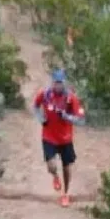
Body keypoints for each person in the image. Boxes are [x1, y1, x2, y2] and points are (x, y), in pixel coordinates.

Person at [32, 68, 86, 207]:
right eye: (56, 83)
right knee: (51, 165)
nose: (58, 86)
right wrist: (40, 117)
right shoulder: (44, 95)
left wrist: (66, 116)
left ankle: (65, 194)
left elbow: (81, 120)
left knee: (67, 168)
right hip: (49, 136)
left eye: (61, 83)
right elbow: (35, 106)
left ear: (64, 83)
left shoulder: (71, 98)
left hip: (65, 139)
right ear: (52, 83)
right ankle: (55, 177)